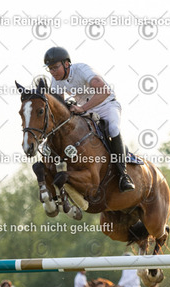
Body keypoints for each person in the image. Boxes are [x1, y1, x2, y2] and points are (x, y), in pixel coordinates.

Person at [44, 46, 134, 193]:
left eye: (55, 67)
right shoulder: (56, 80)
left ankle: (123, 175)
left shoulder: (82, 69)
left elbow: (104, 91)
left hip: (106, 105)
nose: (53, 72)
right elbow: (59, 106)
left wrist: (82, 108)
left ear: (66, 64)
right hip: (85, 110)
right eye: (50, 69)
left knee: (113, 129)